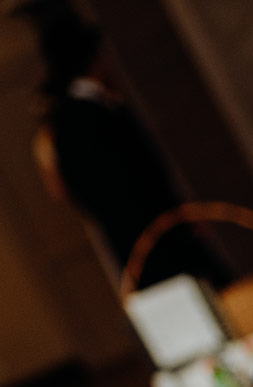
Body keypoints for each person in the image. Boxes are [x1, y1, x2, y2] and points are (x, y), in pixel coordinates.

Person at [22, 0, 220, 287]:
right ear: (91, 58)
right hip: (154, 243)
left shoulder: (83, 113)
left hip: (151, 240)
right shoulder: (81, 118)